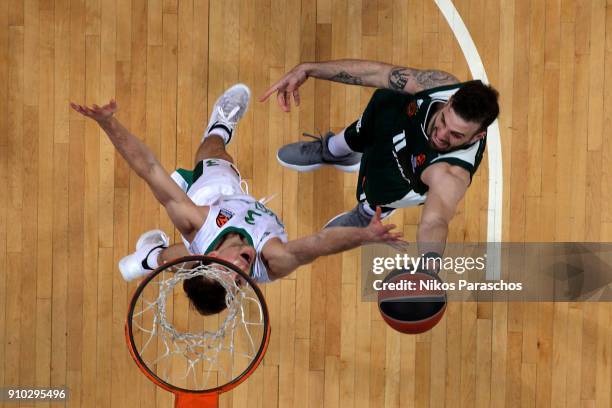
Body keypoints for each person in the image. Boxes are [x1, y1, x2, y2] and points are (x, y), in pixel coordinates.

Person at [71, 84, 402, 315]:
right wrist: (366, 235)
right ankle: (149, 258)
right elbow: (319, 243)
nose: (242, 271)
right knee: (188, 259)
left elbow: (149, 169)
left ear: (213, 254)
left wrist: (108, 123)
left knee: (213, 154)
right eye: (238, 284)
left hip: (215, 201)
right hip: (232, 219)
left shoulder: (194, 221)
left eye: (228, 271)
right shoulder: (273, 258)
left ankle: (218, 127)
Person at [260, 59, 499, 265]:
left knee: (376, 192)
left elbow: (435, 221)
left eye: (456, 135)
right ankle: (334, 150)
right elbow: (378, 74)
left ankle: (367, 214)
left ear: (477, 136)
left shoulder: (451, 173)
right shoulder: (440, 84)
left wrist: (428, 268)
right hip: (396, 125)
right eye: (444, 121)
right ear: (449, 101)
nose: (442, 134)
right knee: (377, 110)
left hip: (401, 176)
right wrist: (308, 69)